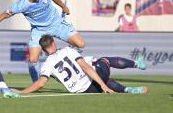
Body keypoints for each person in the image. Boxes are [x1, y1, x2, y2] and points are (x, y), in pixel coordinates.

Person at [0, 0, 85, 82]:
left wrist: (64, 7)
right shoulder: (20, 5)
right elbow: (2, 16)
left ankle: (63, 60)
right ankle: (37, 82)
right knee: (33, 60)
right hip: (39, 30)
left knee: (80, 44)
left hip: (57, 24)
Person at [14, 35, 147, 94]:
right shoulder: (67, 50)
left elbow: (40, 83)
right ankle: (137, 63)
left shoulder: (46, 65)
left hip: (84, 91)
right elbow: (86, 67)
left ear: (43, 50)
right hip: (91, 82)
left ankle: (128, 90)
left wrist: (22, 92)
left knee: (106, 80)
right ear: (53, 43)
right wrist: (102, 84)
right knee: (105, 61)